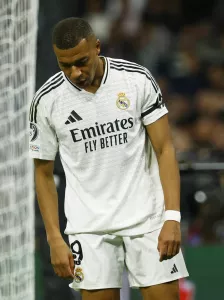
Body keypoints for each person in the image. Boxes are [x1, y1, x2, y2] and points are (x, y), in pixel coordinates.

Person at [29, 17, 188, 300]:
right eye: (65, 65)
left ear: (97, 47)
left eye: (81, 61)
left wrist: (172, 217)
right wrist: (54, 237)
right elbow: (42, 173)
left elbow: (165, 149)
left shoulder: (136, 79)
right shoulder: (47, 101)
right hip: (89, 229)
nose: (75, 72)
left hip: (147, 219)